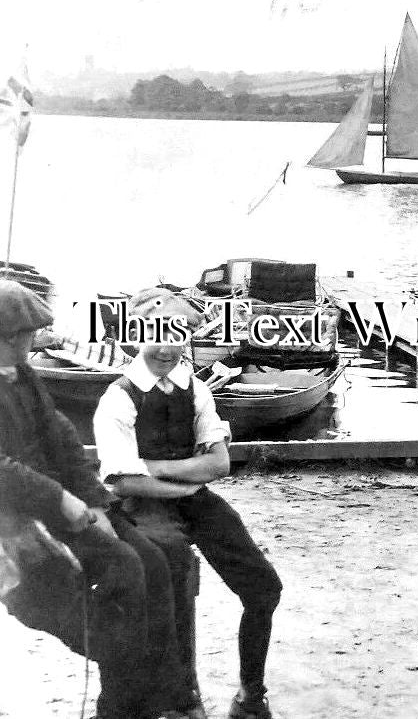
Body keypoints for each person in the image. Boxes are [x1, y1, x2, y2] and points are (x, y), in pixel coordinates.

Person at [0, 280, 194, 719]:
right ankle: (128, 702)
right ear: (9, 337)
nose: (34, 340)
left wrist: (96, 503)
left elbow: (62, 439)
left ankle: (157, 700)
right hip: (14, 529)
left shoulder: (23, 373)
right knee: (117, 592)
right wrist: (61, 501)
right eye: (28, 334)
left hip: (60, 506)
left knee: (153, 561)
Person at [94, 288, 282, 719]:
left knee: (264, 587)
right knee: (174, 586)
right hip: (140, 507)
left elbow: (219, 464)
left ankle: (251, 695)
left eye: (176, 335)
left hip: (193, 500)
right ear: (135, 337)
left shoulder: (195, 390)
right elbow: (123, 481)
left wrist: (154, 466)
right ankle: (182, 699)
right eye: (155, 335)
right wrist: (179, 481)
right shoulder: (117, 398)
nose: (166, 348)